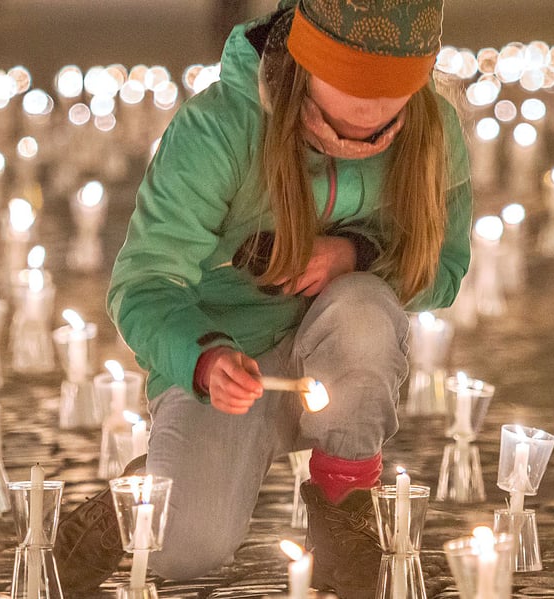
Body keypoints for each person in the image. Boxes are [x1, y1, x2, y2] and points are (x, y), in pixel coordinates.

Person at [55, 0, 471, 596]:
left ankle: (345, 509)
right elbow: (143, 283)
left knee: (364, 310)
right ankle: (141, 492)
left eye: (397, 85)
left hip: (339, 362)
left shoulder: (433, 131)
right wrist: (204, 357)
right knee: (185, 550)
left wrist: (355, 256)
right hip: (230, 366)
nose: (374, 106)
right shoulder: (220, 129)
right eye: (353, 80)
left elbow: (447, 271)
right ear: (307, 57)